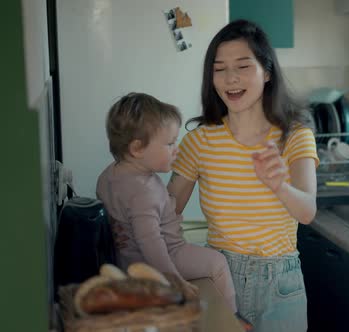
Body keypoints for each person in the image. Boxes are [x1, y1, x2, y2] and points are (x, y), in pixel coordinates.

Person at [168, 20, 318, 332]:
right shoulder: (199, 141)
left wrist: (279, 186)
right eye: (219, 68)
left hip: (280, 284)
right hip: (218, 277)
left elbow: (307, 211)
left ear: (267, 71)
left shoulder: (295, 135)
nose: (230, 78)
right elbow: (168, 213)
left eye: (242, 66)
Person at [95, 92, 239, 315]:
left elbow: (129, 218)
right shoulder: (145, 190)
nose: (176, 149)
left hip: (125, 260)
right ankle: (231, 320)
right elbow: (151, 242)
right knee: (218, 263)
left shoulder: (108, 177)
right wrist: (174, 280)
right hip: (166, 256)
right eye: (170, 143)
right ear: (137, 148)